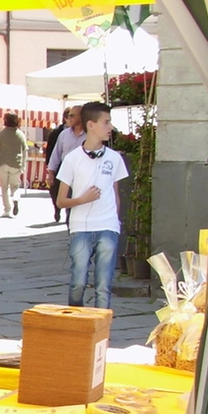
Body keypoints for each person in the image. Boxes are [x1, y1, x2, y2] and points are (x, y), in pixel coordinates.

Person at [56, 101, 128, 309]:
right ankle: (76, 327)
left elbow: (116, 195)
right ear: (91, 125)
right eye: (106, 122)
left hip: (107, 226)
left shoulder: (114, 159)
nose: (110, 127)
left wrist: (116, 221)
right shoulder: (72, 159)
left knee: (103, 284)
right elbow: (61, 201)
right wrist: (82, 200)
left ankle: (101, 336)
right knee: (78, 282)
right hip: (81, 228)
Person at [48, 105, 85, 224]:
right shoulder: (63, 135)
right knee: (69, 204)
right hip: (67, 174)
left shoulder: (89, 134)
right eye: (68, 116)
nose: (69, 118)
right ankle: (71, 230)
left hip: (84, 174)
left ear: (81, 117)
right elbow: (56, 154)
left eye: (72, 115)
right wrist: (51, 173)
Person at [0, 112, 28, 218]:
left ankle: (7, 209)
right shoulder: (21, 134)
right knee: (15, 186)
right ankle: (16, 198)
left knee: (4, 187)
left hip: (2, 163)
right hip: (16, 164)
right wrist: (23, 166)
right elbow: (25, 151)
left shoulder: (1, 133)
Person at [45, 107, 71, 221]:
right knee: (55, 189)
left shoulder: (84, 132)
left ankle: (68, 212)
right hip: (59, 166)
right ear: (65, 118)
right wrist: (49, 167)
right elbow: (50, 150)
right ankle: (57, 209)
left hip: (72, 168)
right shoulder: (57, 132)